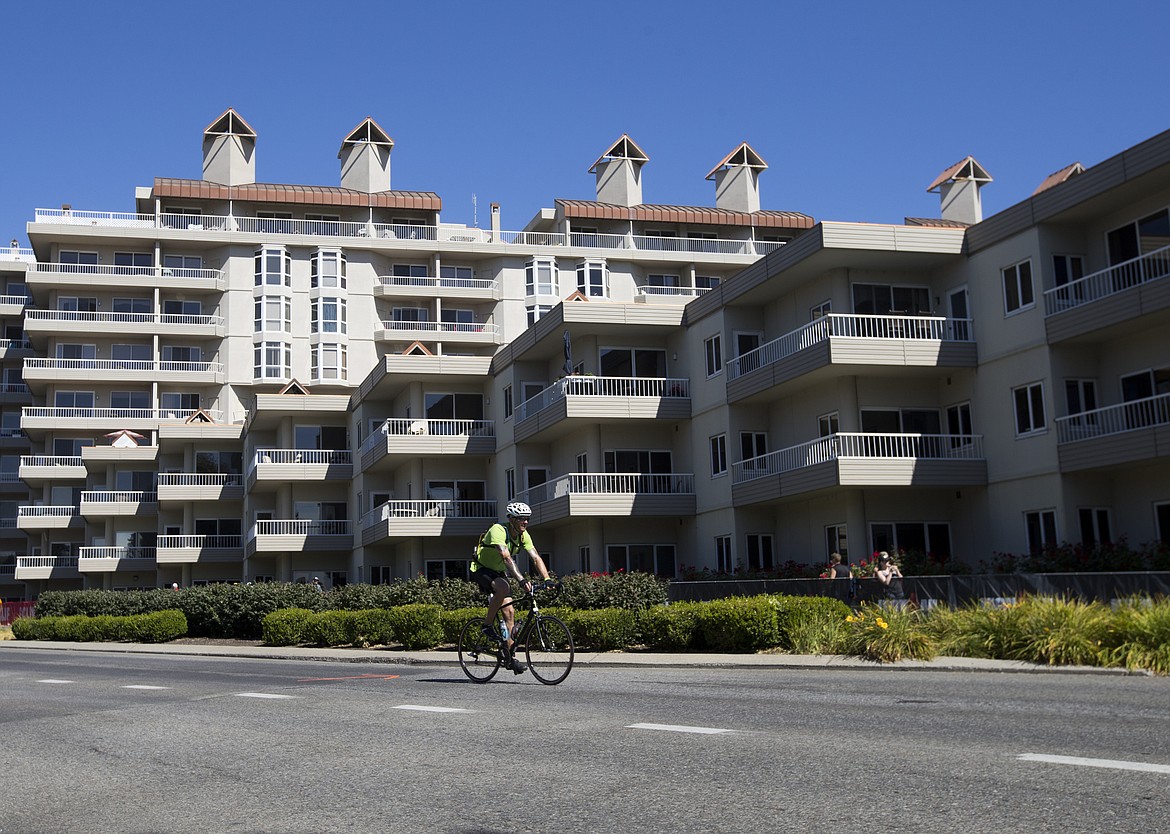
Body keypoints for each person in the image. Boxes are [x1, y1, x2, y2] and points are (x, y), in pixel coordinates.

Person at [471, 501, 550, 675]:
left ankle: (510, 658)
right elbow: (506, 557)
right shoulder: (498, 530)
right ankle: (486, 625)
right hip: (481, 569)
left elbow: (535, 557)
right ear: (512, 519)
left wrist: (548, 579)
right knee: (502, 587)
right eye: (522, 518)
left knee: (510, 613)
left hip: (497, 571)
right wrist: (522, 580)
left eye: (527, 519)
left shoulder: (523, 535)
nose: (526, 522)